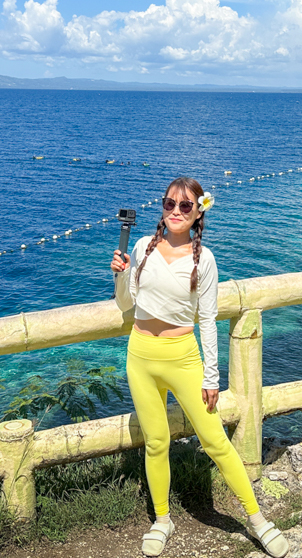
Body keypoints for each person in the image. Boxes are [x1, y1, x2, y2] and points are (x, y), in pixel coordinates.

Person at [110, 176, 289, 558]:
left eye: (185, 206)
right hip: (140, 355)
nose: (175, 211)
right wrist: (120, 274)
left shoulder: (203, 260)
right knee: (155, 443)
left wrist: (212, 374)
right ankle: (162, 519)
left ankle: (258, 521)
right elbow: (126, 305)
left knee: (215, 442)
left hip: (183, 357)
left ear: (198, 212)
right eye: (169, 204)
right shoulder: (142, 246)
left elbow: (207, 321)